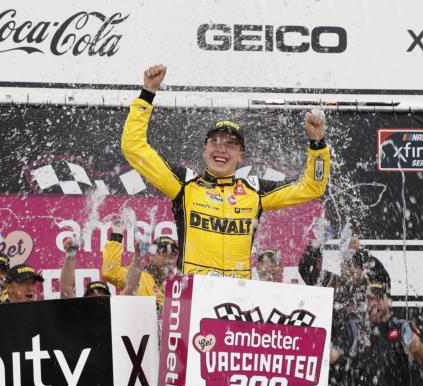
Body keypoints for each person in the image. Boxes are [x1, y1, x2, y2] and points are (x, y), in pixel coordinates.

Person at [121, 64, 330, 278]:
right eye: (215, 142)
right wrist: (147, 94)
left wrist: (317, 143)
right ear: (204, 150)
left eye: (230, 144)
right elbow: (133, 148)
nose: (221, 149)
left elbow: (312, 187)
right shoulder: (184, 184)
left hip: (237, 300)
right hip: (193, 295)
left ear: (241, 155)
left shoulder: (254, 191)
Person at [299, 235, 368, 386]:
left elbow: (358, 328)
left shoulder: (368, 292)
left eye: (355, 264)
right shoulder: (331, 281)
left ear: (362, 270)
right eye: (346, 262)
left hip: (348, 375)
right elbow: (306, 268)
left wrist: (360, 251)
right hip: (320, 372)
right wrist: (316, 244)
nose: (349, 268)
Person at [101, 224, 178, 309]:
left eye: (172, 254)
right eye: (163, 252)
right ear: (151, 255)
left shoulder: (177, 285)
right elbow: (110, 272)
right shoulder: (138, 276)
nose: (167, 258)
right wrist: (116, 236)